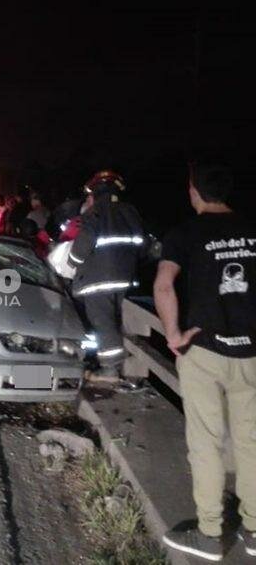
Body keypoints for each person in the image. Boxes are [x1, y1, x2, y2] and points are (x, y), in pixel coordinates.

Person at [155, 161, 256, 561]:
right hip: (251, 353)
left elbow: (164, 285)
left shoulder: (184, 234)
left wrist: (173, 334)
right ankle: (254, 529)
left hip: (205, 351)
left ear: (194, 190)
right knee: (252, 442)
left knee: (207, 443)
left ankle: (211, 532)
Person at [67, 170, 144, 380]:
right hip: (126, 278)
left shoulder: (94, 214)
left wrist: (71, 261)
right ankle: (122, 368)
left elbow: (81, 248)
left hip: (98, 281)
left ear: (95, 193)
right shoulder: (130, 212)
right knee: (117, 321)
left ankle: (110, 370)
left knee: (102, 322)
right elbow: (140, 243)